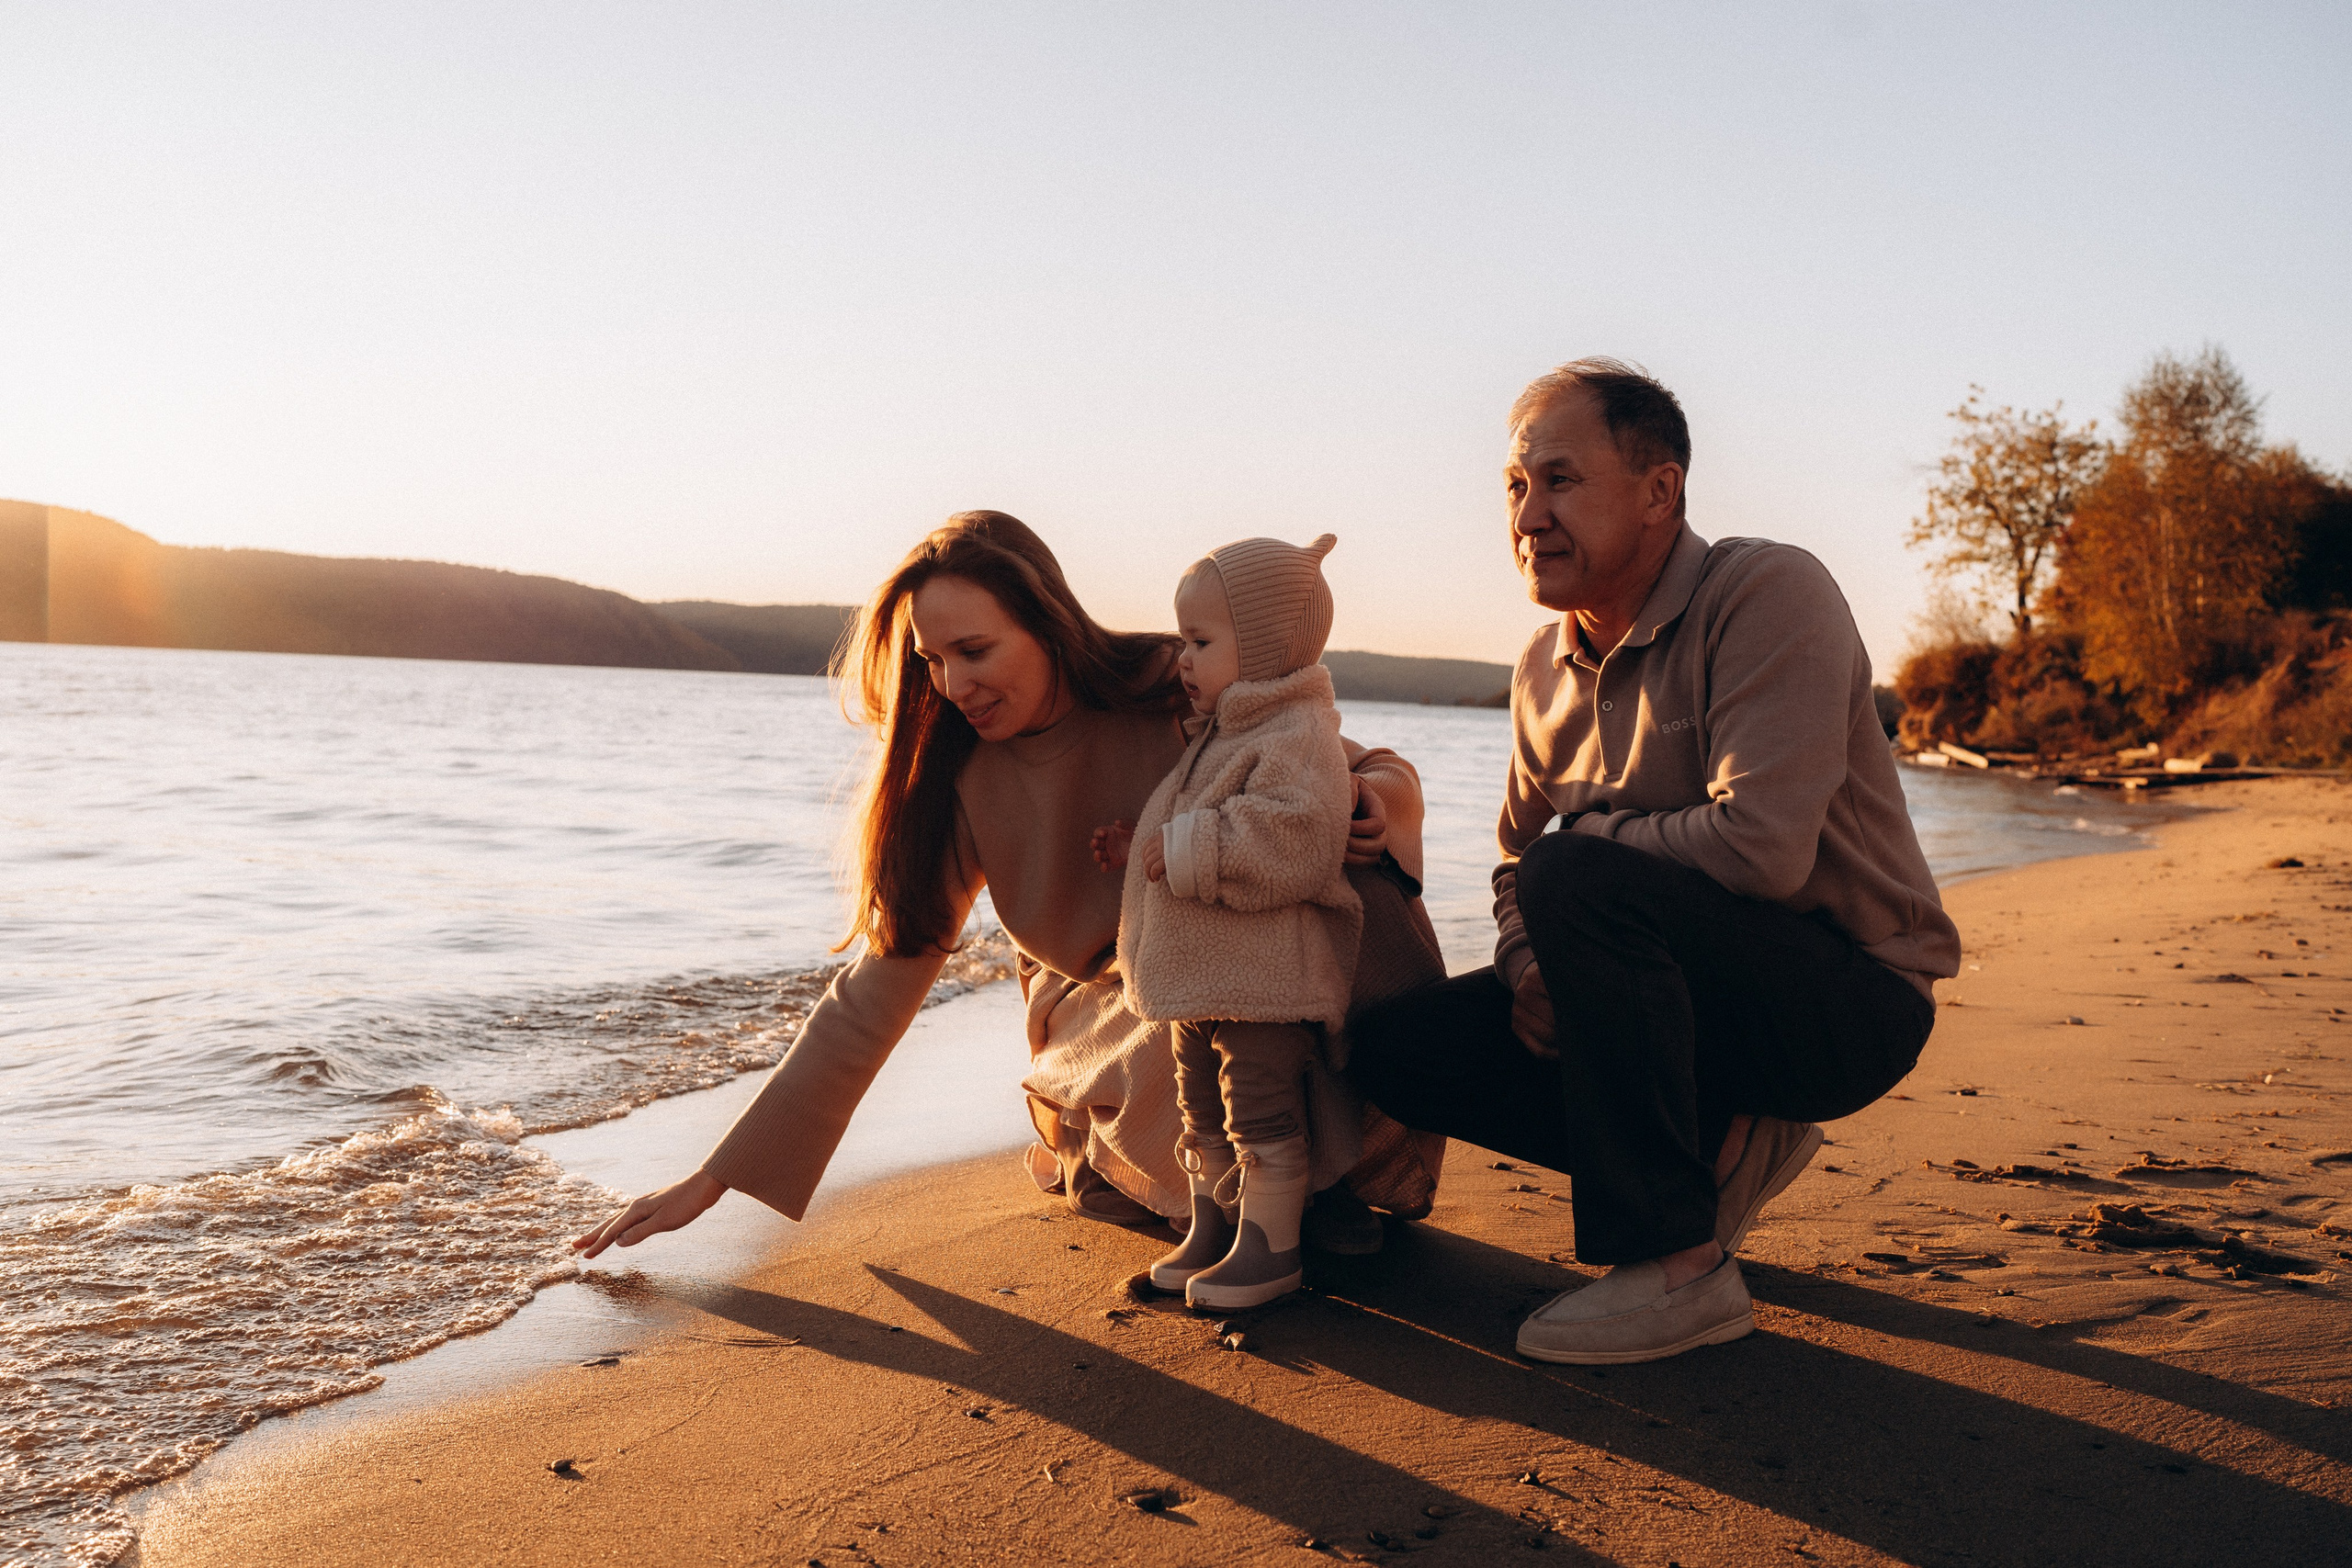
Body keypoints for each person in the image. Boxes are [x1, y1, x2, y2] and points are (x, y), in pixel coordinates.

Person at [576, 511, 1445, 1262]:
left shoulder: (1171, 681)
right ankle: (1199, 1180)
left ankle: (1295, 1191)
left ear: (1049, 623)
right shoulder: (958, 780)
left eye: (975, 650)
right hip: (1102, 1002)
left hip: (1241, 965)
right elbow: (875, 988)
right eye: (933, 660)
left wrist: (1379, 799)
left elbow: (1339, 756)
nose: (953, 685)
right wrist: (717, 1175)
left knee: (1353, 917)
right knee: (1180, 1035)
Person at [1351, 360, 1962, 1366]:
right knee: (1397, 1049)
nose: (1528, 515)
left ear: (1658, 491)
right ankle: (1717, 1148)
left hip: (1844, 1000)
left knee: (1575, 873)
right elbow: (1515, 859)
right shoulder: (1539, 667)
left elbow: (1761, 850)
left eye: (1560, 480)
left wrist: (1581, 857)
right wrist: (1528, 969)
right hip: (1666, 1001)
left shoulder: (1767, 592)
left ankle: (1678, 1266)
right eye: (1514, 486)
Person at [1093, 534, 1360, 1310]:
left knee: (1259, 1105)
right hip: (1204, 980)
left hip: (1265, 980)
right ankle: (1214, 1225)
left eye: (1201, 641)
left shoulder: (1298, 734)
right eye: (1183, 639)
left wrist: (1193, 846)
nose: (1183, 657)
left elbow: (1299, 836)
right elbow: (1181, 818)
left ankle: (1271, 1245)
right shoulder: (1222, 733)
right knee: (1199, 1100)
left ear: (1270, 643)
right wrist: (1138, 842)